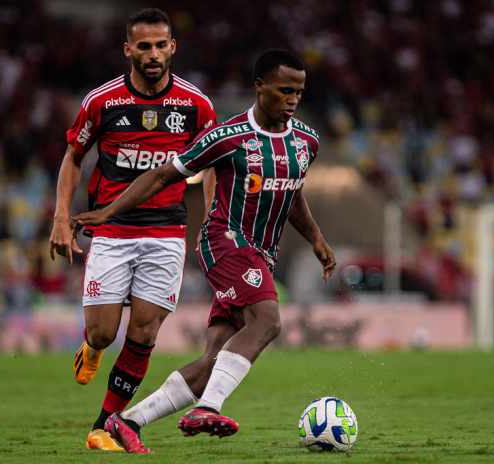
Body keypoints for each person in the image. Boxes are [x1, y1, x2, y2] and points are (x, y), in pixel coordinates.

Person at [72, 49, 336, 454]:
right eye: (285, 90)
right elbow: (163, 174)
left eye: (299, 92)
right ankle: (208, 407)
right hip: (226, 241)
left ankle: (125, 422)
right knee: (267, 321)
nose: (293, 99)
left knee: (214, 359)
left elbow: (292, 191)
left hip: (261, 253)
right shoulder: (227, 138)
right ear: (260, 87)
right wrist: (108, 211)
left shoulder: (306, 142)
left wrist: (316, 240)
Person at [49, 8, 217, 451]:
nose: (154, 54)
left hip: (165, 232)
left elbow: (212, 162)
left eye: (162, 45)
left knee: (144, 334)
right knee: (105, 332)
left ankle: (103, 427)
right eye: (144, 46)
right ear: (128, 49)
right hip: (111, 228)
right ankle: (92, 347)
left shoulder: (195, 105)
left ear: (173, 48)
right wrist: (61, 218)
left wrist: (215, 218)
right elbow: (73, 157)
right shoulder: (102, 102)